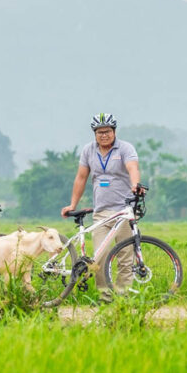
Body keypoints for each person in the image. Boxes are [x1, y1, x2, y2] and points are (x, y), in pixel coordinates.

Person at [61, 113, 141, 301]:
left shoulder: (125, 148)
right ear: (94, 133)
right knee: (99, 257)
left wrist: (136, 185)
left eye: (107, 131)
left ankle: (123, 296)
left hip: (123, 211)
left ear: (114, 132)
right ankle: (104, 296)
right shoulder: (88, 150)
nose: (104, 135)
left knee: (125, 256)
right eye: (99, 132)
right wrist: (73, 204)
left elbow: (133, 168)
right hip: (101, 213)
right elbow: (81, 178)